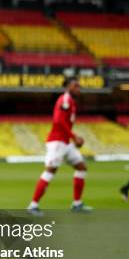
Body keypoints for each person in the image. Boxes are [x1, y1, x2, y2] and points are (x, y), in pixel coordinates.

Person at [27, 77, 92, 216]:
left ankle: (77, 203)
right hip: (57, 142)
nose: (78, 89)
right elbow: (58, 121)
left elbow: (65, 123)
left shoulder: (71, 102)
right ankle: (33, 205)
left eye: (79, 86)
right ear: (68, 87)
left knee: (81, 167)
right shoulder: (65, 100)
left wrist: (71, 137)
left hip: (66, 142)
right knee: (50, 170)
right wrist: (74, 136)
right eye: (76, 86)